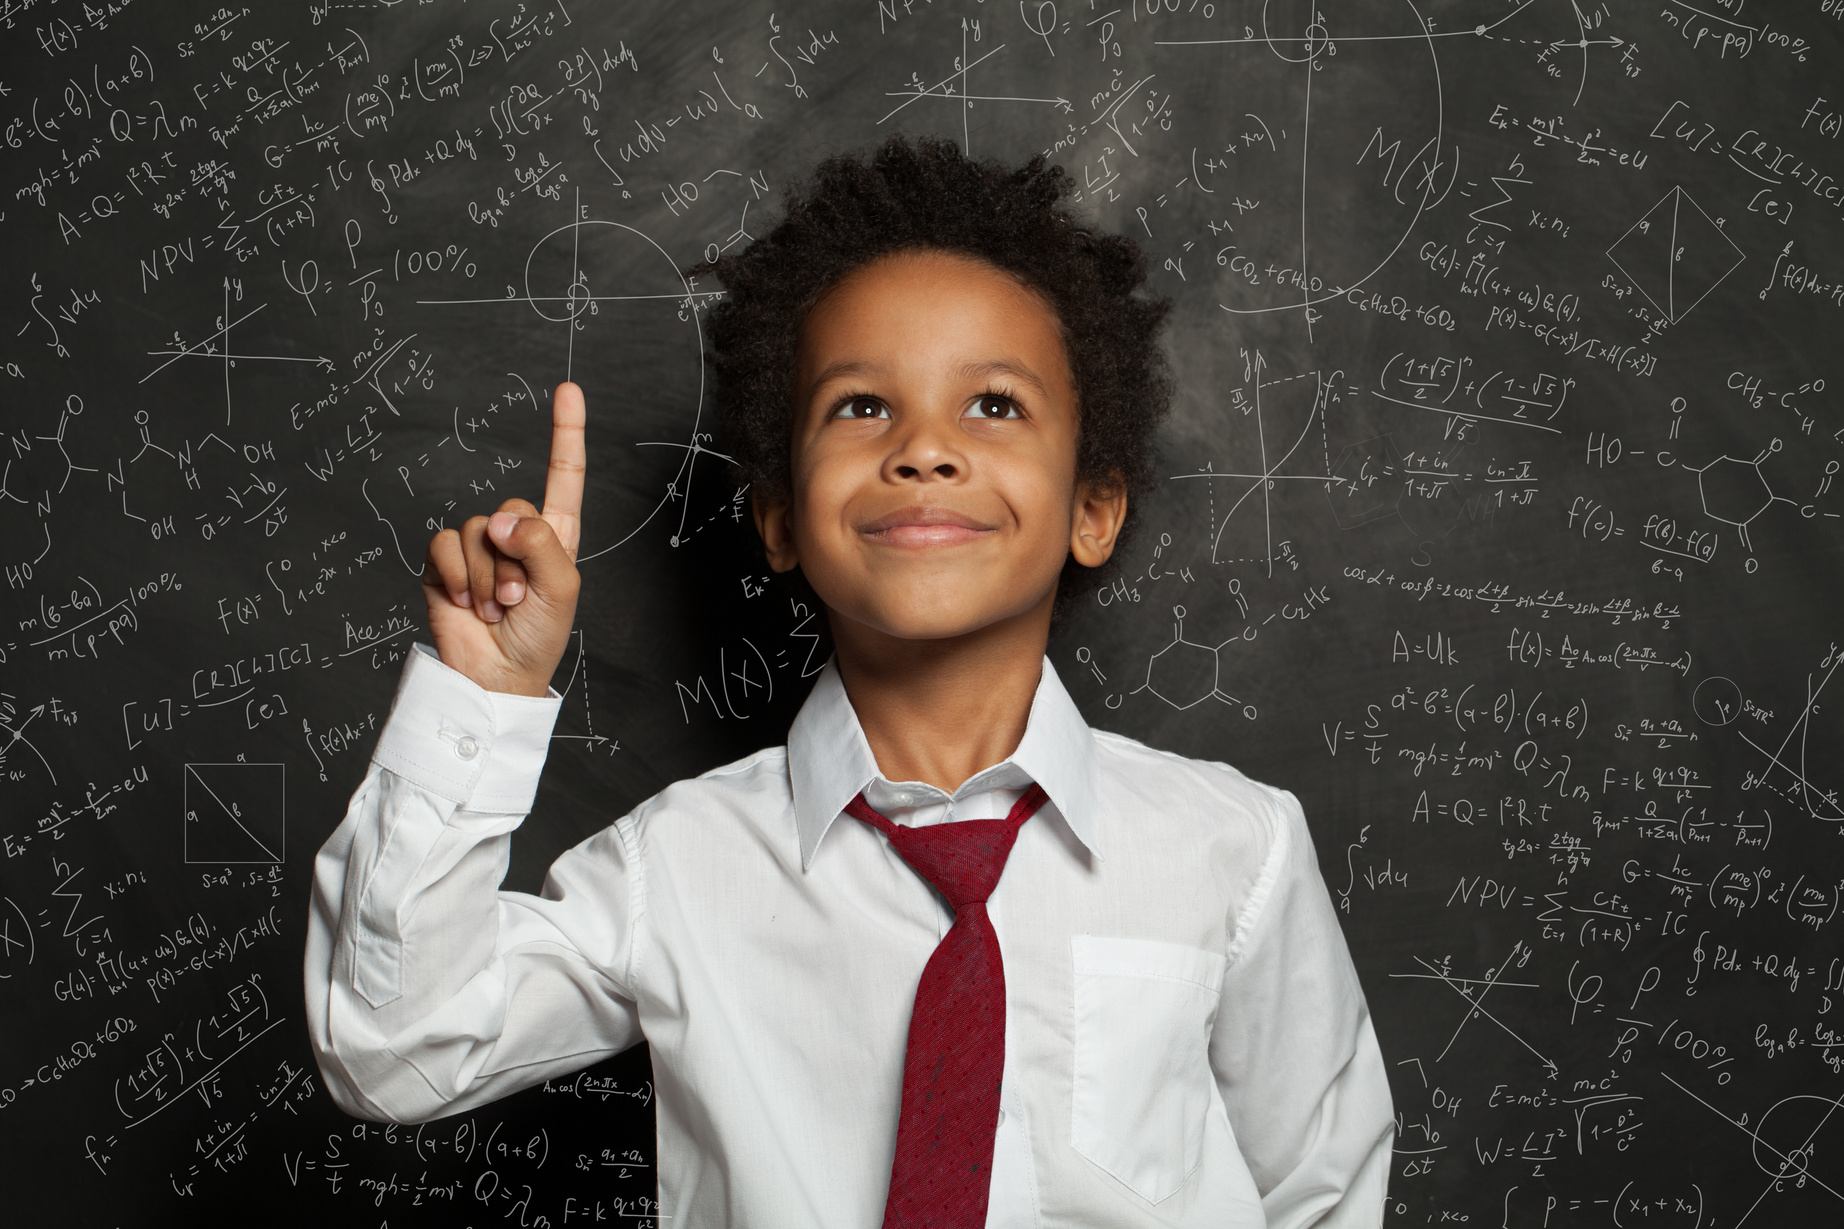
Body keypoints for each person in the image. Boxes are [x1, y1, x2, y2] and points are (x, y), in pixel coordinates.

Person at [305, 134, 1393, 1228]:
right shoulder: (676, 867)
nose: (923, 448)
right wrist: (481, 698)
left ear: (1091, 509)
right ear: (778, 516)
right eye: (861, 405)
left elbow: (1321, 1190)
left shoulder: (1234, 852)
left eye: (995, 404)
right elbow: (395, 1047)